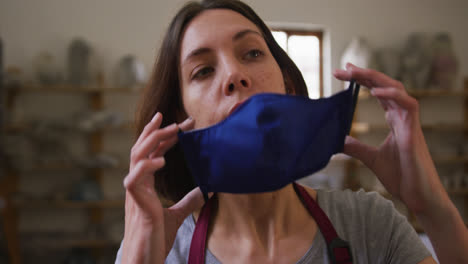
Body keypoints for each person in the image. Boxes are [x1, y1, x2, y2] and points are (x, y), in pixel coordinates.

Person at [116, 0, 468, 263]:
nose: (234, 75)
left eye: (252, 52)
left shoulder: (369, 225)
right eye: (204, 70)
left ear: (287, 85)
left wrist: (431, 207)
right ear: (181, 114)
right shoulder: (157, 250)